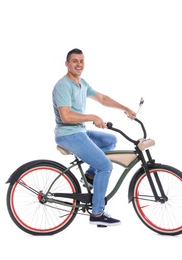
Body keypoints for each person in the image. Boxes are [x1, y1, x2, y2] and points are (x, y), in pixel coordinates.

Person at [52, 48, 136, 226]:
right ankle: (97, 214)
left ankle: (90, 176)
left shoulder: (81, 83)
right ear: (67, 64)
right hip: (68, 135)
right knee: (105, 165)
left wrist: (125, 108)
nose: (78, 64)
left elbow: (103, 98)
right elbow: (66, 116)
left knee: (110, 140)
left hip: (79, 132)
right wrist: (92, 117)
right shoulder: (63, 86)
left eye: (81, 61)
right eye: (74, 61)